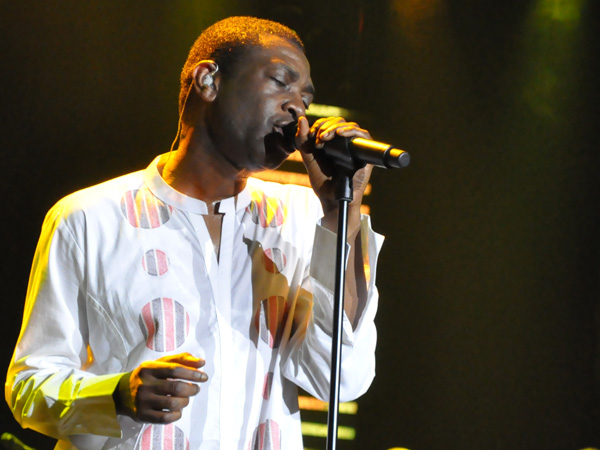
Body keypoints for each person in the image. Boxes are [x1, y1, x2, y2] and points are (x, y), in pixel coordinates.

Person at [5, 16, 384, 450]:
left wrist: (341, 214)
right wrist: (116, 395)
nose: (298, 108)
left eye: (306, 98)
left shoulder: (304, 217)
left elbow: (341, 379)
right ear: (208, 80)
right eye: (281, 82)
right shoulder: (89, 218)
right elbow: (29, 386)